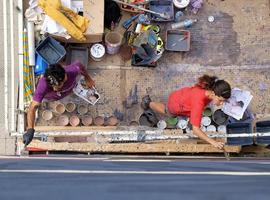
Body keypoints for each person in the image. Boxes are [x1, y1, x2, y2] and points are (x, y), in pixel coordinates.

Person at [141, 74, 231, 149]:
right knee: (167, 111)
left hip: (184, 96)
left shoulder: (209, 89)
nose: (222, 103)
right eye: (220, 100)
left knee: (194, 119)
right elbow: (196, 130)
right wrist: (213, 142)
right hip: (176, 104)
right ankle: (148, 103)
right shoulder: (198, 103)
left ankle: (149, 103)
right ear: (213, 93)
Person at [23, 61, 95, 146]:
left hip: (68, 91)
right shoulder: (43, 86)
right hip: (52, 97)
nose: (57, 88)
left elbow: (81, 66)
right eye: (55, 87)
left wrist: (88, 78)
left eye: (61, 83)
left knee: (68, 91)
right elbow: (32, 107)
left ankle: (67, 92)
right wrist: (30, 129)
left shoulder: (73, 70)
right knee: (50, 98)